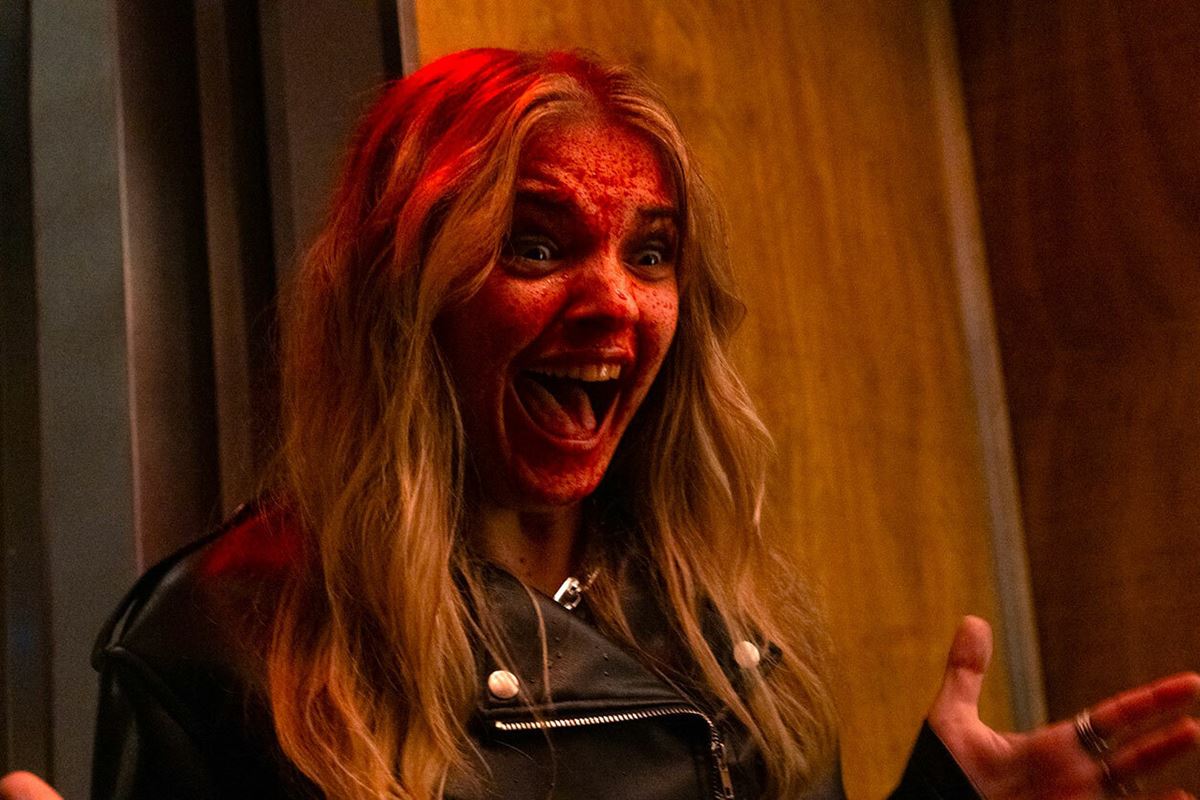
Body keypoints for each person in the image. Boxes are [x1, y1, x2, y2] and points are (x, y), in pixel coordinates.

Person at [3, 48, 1198, 800]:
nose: (616, 300)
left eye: (652, 253)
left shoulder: (728, 636)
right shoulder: (222, 641)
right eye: (536, 245)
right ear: (401, 297)